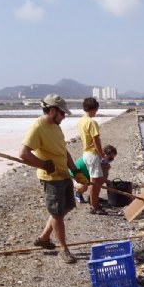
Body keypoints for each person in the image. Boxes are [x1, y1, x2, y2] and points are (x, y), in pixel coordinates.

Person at [19, 94, 88, 264]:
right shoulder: (38, 127)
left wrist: (75, 170)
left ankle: (44, 238)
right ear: (52, 111)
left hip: (63, 174)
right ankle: (63, 249)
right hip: (51, 178)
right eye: (62, 113)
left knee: (68, 206)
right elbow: (23, 154)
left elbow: (64, 151)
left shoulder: (56, 126)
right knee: (57, 214)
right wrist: (43, 165)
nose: (64, 117)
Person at [76, 96, 107, 215]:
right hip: (92, 154)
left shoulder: (80, 122)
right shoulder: (91, 122)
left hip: (85, 153)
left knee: (94, 180)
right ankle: (94, 206)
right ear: (94, 108)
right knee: (95, 182)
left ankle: (93, 202)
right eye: (96, 109)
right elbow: (96, 140)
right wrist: (101, 154)